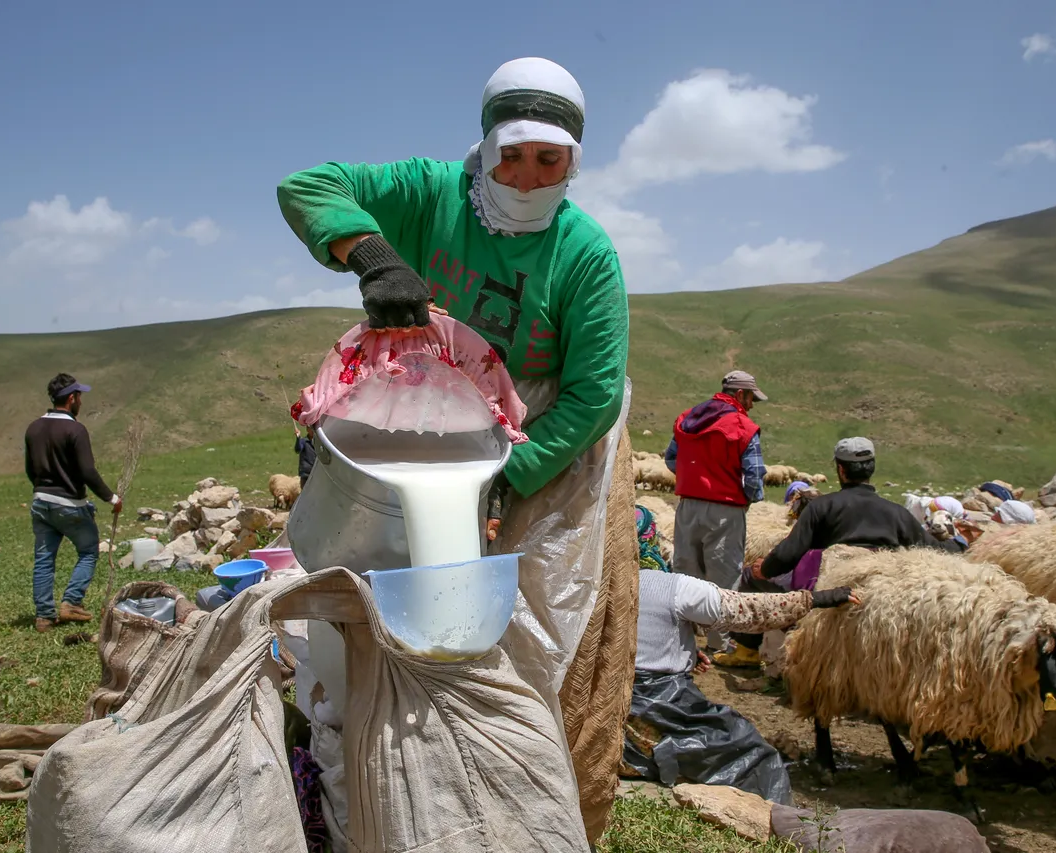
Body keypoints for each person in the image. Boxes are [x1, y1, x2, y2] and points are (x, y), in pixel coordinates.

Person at [277, 57, 634, 843]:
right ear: (485, 143)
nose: (529, 176)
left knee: (528, 617)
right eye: (513, 153)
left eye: (551, 160)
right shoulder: (431, 192)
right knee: (378, 588)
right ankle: (370, 755)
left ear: (575, 161)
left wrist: (515, 475)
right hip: (419, 409)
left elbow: (596, 391)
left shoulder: (584, 253)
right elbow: (306, 185)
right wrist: (371, 253)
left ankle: (511, 778)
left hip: (543, 439)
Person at [624, 555, 860, 802]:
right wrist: (815, 598)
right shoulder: (672, 586)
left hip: (603, 707)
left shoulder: (595, 582)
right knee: (750, 751)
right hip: (663, 708)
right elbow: (748, 610)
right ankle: (779, 820)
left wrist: (680, 650)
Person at [717, 437, 963, 667]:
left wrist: (765, 568)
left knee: (751, 575)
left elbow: (788, 554)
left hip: (824, 592)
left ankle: (746, 651)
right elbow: (932, 549)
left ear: (841, 470)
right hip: (876, 596)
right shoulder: (897, 513)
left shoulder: (823, 507)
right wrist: (962, 542)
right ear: (871, 470)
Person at [664, 370, 767, 650]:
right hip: (726, 509)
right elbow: (755, 473)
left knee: (686, 572)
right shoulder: (743, 426)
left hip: (687, 507)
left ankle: (683, 638)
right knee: (723, 576)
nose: (752, 404)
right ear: (740, 394)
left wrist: (694, 478)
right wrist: (749, 497)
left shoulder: (688, 419)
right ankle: (719, 643)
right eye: (751, 397)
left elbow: (671, 459)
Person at [23, 374, 122, 633]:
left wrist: (42, 488)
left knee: (44, 559)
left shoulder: (33, 428)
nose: (80, 401)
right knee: (89, 550)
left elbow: (30, 470)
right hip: (69, 504)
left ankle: (44, 617)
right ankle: (71, 602)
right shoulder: (75, 429)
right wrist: (111, 497)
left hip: (41, 501)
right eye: (79, 396)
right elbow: (87, 471)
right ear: (71, 398)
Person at [294, 424, 317, 489]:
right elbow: (298, 449)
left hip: (316, 471)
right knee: (305, 490)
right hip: (306, 472)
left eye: (313, 429)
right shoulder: (303, 441)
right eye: (310, 429)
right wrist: (298, 438)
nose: (312, 431)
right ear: (307, 430)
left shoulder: (318, 442)